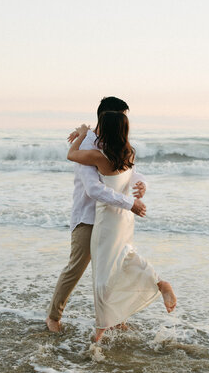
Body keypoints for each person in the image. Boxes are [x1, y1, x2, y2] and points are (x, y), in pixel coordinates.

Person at [67, 111, 176, 342]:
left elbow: (72, 154)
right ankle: (158, 282)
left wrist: (82, 133)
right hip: (126, 218)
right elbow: (135, 175)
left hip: (108, 220)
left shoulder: (99, 156)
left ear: (104, 129)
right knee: (127, 258)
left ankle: (100, 329)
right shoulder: (129, 152)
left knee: (103, 275)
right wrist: (140, 188)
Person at [46, 97, 148, 333]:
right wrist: (129, 203)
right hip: (88, 217)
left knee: (114, 269)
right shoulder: (87, 145)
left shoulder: (115, 140)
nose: (124, 122)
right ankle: (53, 317)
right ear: (105, 117)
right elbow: (93, 189)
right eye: (120, 116)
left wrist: (141, 184)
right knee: (76, 268)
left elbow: (129, 170)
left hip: (112, 218)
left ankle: (114, 319)